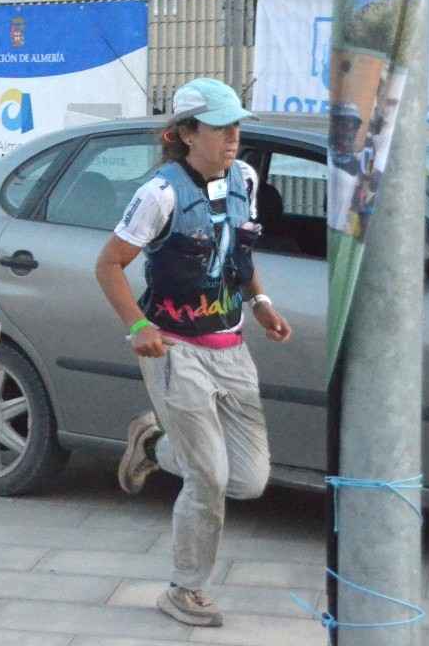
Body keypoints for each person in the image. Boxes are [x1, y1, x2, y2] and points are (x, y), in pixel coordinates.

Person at [95, 78, 292, 628]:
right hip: (175, 348)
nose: (233, 137)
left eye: (237, 127)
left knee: (247, 480)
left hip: (231, 348)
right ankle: (185, 589)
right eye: (221, 128)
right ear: (185, 134)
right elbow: (108, 265)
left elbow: (240, 251)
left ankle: (154, 440)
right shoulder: (159, 194)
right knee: (207, 478)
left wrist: (261, 302)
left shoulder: (245, 179)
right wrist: (137, 325)